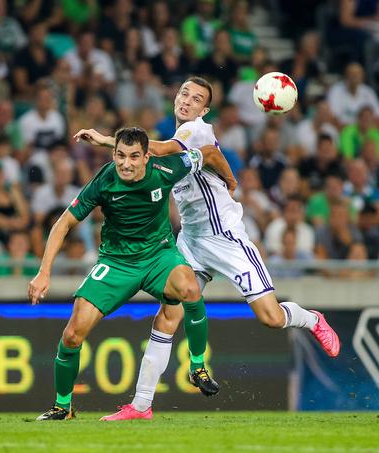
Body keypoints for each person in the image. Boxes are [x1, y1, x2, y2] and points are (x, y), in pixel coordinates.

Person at [75, 76, 340, 422]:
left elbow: (168, 149)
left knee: (270, 317)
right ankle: (140, 406)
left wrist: (107, 139)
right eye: (184, 93)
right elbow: (198, 156)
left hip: (226, 238)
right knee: (168, 316)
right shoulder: (179, 135)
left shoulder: (195, 130)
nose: (187, 100)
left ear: (205, 109)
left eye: (196, 98)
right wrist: (229, 178)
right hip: (191, 239)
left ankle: (312, 319)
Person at [30, 127, 228, 421]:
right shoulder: (105, 179)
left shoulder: (167, 167)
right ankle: (63, 406)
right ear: (113, 154)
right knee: (72, 334)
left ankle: (197, 366)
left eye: (134, 156)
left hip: (159, 255)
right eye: (120, 155)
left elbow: (210, 153)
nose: (126, 163)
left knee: (190, 289)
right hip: (116, 262)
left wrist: (232, 181)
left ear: (147, 156)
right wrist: (43, 273)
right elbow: (63, 224)